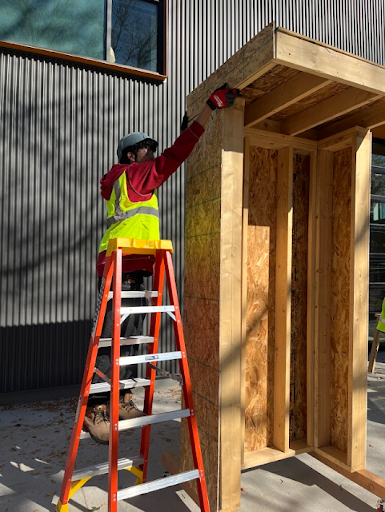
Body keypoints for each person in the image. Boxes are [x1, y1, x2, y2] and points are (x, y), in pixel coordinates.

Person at [83, 84, 240, 444]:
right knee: (111, 339)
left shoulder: (134, 180)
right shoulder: (132, 175)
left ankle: (120, 398)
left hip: (135, 266)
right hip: (120, 264)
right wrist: (207, 112)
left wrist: (187, 128)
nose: (151, 153)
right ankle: (95, 407)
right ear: (130, 154)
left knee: (131, 337)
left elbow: (167, 156)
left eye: (152, 149)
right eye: (146, 149)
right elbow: (175, 156)